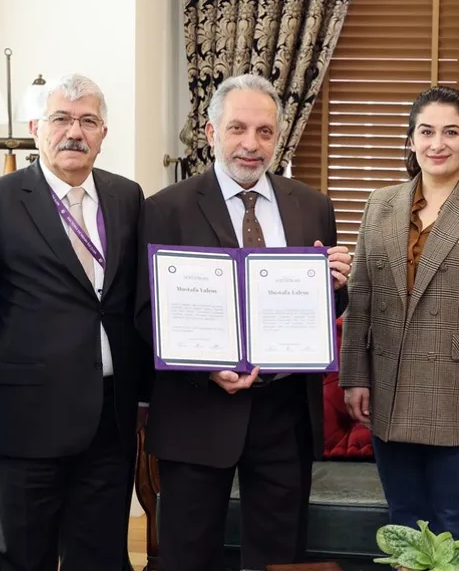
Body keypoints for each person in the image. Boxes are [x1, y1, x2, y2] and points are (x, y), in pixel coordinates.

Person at [137, 73, 352, 571]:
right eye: (237, 128)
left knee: (280, 558)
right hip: (197, 409)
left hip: (284, 412)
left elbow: (323, 312)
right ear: (211, 132)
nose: (251, 144)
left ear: (278, 136)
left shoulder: (313, 206)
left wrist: (334, 286)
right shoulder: (165, 208)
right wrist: (206, 366)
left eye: (264, 131)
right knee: (188, 557)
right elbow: (145, 312)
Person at [0, 74, 152, 571]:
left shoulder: (126, 197)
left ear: (103, 133)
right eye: (61, 119)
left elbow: (135, 301)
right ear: (36, 128)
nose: (75, 132)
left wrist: (144, 395)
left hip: (109, 420)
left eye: (88, 121)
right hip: (25, 421)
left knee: (101, 557)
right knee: (26, 558)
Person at [338, 85, 459, 549]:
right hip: (389, 390)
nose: (437, 143)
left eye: (451, 132)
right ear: (411, 140)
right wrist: (354, 377)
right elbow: (361, 299)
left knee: (455, 528)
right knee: (403, 525)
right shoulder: (380, 204)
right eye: (426, 132)